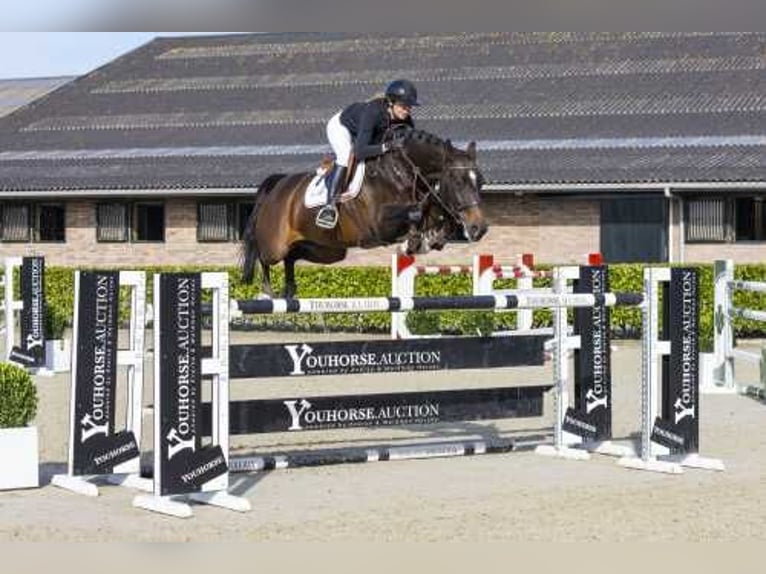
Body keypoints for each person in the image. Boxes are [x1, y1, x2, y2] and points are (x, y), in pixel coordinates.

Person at [315, 79, 419, 229]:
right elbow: (360, 151)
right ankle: (329, 207)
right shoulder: (374, 112)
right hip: (342, 128)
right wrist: (386, 147)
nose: (407, 110)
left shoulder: (405, 120)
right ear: (391, 102)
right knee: (345, 155)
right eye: (403, 106)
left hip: (364, 135)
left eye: (409, 107)